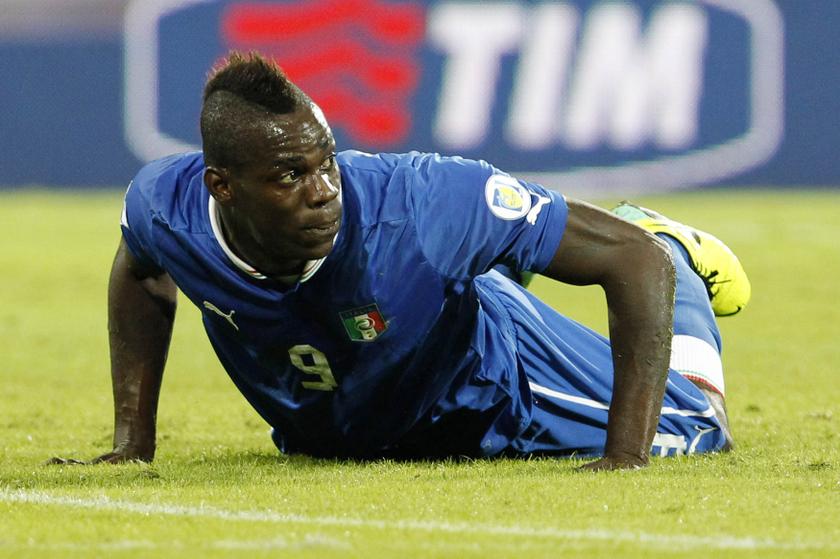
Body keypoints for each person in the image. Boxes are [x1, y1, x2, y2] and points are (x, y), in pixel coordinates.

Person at [67, 52, 751, 470]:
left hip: (495, 389)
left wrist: (625, 457)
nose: (324, 191)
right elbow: (140, 269)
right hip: (353, 415)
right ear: (222, 186)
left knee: (699, 429)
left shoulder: (422, 202)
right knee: (417, 282)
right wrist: (133, 441)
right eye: (291, 175)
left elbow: (634, 264)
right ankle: (491, 262)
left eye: (327, 162)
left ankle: (677, 247)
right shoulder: (167, 208)